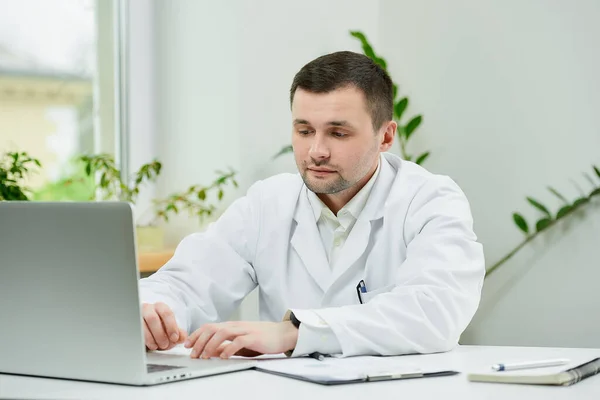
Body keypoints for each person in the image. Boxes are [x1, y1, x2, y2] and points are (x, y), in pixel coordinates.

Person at [139, 51, 485, 360]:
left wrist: (295, 331)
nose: (316, 151)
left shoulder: (429, 199)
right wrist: (153, 312)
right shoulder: (267, 204)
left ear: (386, 136)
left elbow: (436, 311)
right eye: (304, 131)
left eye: (338, 133)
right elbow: (188, 282)